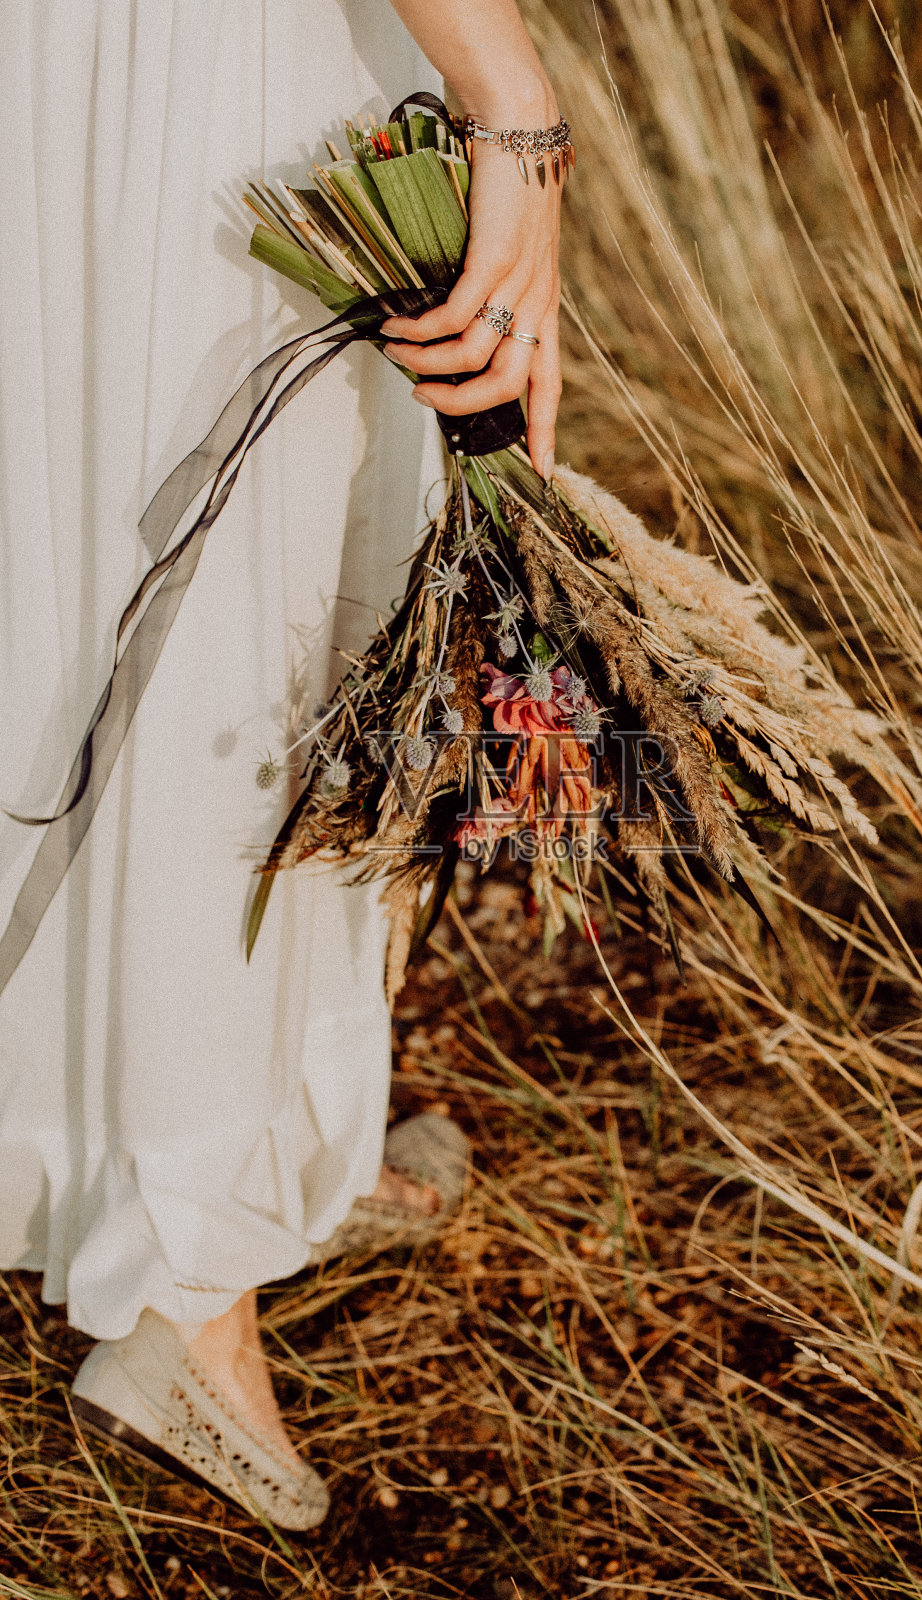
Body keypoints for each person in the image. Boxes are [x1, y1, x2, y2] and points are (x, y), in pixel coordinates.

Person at [0, 0, 562, 1528]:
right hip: (201, 54)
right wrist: (508, 95)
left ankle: (235, 1141)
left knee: (152, 560)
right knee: (236, 620)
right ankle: (188, 1269)